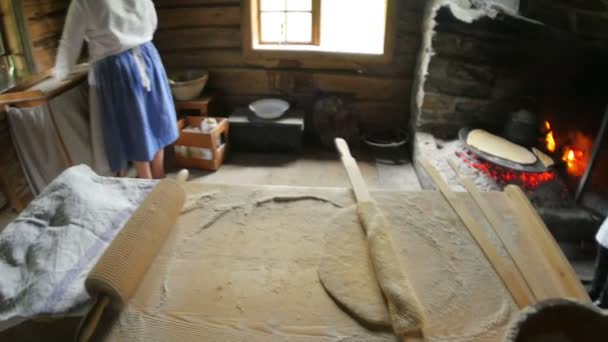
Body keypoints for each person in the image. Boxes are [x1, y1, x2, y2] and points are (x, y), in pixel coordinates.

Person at [54, 0, 178, 179]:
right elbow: (151, 22)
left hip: (116, 67)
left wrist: (60, 72)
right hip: (147, 54)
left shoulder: (83, 2)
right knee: (153, 118)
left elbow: (70, 41)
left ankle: (147, 180)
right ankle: (158, 174)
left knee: (134, 126)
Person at [589, 217, 608, 309]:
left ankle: (595, 296)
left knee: (601, 269)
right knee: (601, 269)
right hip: (605, 238)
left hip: (604, 238)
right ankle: (603, 302)